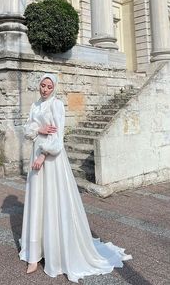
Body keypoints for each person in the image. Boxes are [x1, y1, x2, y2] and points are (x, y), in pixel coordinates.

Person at [18, 73, 132, 283]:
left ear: (54, 88)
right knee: (37, 202)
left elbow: (58, 136)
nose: (44, 89)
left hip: (51, 159)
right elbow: (27, 130)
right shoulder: (35, 106)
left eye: (48, 86)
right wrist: (38, 129)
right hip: (37, 155)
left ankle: (57, 251)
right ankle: (34, 254)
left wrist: (43, 154)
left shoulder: (57, 105)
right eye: (42, 85)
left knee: (53, 201)